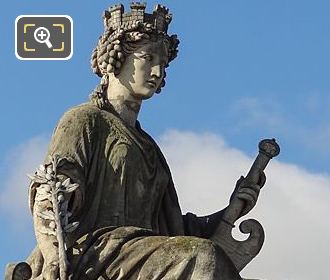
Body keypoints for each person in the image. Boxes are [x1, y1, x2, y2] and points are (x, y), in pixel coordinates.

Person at [24, 3, 263, 280]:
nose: (158, 70)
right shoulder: (84, 120)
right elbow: (50, 192)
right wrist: (54, 259)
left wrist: (229, 210)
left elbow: (173, 232)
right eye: (148, 57)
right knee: (203, 257)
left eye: (163, 63)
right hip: (96, 253)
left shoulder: (150, 148)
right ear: (116, 58)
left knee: (207, 258)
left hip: (142, 253)